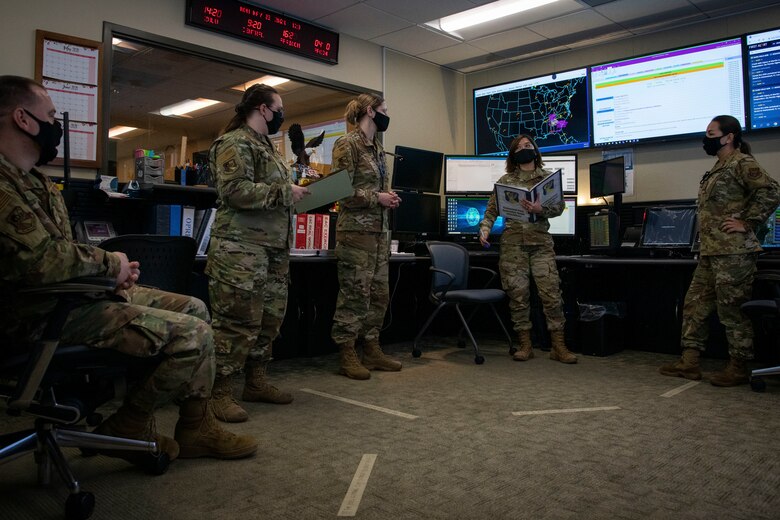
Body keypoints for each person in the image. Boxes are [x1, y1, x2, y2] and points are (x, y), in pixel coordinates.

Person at [0, 75, 257, 462]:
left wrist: (110, 279)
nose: (56, 125)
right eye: (50, 115)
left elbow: (60, 249)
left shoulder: (34, 179)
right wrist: (110, 264)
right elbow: (39, 262)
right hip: (32, 313)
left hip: (67, 298)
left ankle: (194, 426)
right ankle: (131, 422)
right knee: (193, 335)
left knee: (195, 307)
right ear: (22, 118)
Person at [206, 84, 309, 422]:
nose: (282, 114)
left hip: (273, 249)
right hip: (240, 250)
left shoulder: (267, 146)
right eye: (279, 107)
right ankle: (218, 392)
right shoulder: (233, 142)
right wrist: (284, 192)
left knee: (269, 320)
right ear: (263, 109)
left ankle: (256, 382)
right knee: (236, 322)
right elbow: (234, 191)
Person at [660, 115, 780, 386]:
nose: (707, 138)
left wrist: (747, 222)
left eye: (712, 133)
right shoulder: (718, 167)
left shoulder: (742, 163)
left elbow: (772, 192)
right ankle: (689, 362)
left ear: (729, 137)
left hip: (734, 253)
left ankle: (738, 366)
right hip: (711, 252)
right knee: (695, 305)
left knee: (731, 310)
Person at [479, 134, 577, 364]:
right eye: (519, 147)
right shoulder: (505, 180)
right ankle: (525, 345)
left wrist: (539, 208)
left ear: (535, 150)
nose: (525, 148)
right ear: (513, 154)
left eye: (528, 145)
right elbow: (492, 211)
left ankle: (558, 347)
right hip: (513, 247)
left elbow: (559, 207)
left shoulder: (548, 178)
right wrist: (484, 229)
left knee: (551, 295)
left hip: (541, 245)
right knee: (518, 297)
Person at [330, 93, 402, 380]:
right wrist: (378, 198)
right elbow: (339, 191)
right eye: (384, 109)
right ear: (370, 111)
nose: (387, 114)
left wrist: (389, 198)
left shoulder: (377, 149)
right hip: (355, 235)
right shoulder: (347, 144)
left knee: (379, 295)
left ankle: (371, 348)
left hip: (380, 233)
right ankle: (347, 353)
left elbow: (377, 192)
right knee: (355, 295)